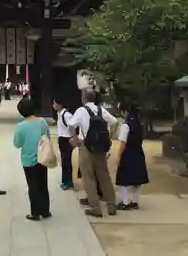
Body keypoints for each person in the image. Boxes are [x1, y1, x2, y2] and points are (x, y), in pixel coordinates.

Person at [69, 88, 118, 218]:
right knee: (104, 175)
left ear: (83, 98)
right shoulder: (101, 110)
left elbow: (71, 125)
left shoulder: (81, 110)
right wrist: (109, 137)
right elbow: (114, 122)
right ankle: (111, 205)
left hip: (86, 146)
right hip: (101, 147)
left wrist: (75, 140)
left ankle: (95, 207)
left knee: (88, 177)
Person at [13, 97, 51, 221]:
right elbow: (48, 137)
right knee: (43, 184)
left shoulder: (20, 126)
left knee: (33, 186)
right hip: (42, 157)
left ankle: (35, 212)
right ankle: (45, 210)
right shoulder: (42, 122)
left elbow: (17, 144)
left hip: (28, 160)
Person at [116, 102, 149, 210]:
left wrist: (118, 157)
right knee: (137, 179)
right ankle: (135, 201)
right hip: (138, 152)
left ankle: (125, 202)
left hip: (127, 153)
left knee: (124, 179)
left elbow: (122, 143)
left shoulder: (125, 125)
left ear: (125, 111)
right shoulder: (139, 124)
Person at [53, 99, 74, 190]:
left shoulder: (67, 115)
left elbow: (72, 127)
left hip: (67, 140)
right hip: (62, 139)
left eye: (54, 103)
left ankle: (69, 182)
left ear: (60, 104)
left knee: (67, 161)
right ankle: (65, 181)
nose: (53, 105)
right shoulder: (59, 114)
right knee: (64, 161)